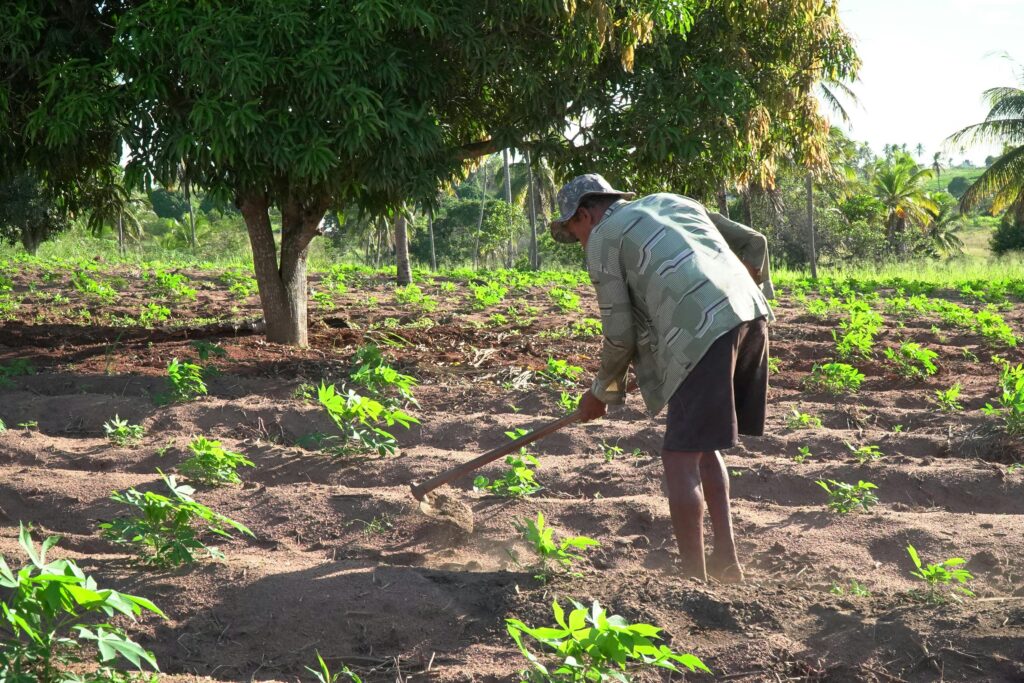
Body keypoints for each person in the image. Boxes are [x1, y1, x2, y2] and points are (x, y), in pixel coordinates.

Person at [550, 173, 774, 583]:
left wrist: (601, 393)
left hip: (700, 330)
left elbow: (619, 334)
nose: (579, 241)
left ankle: (692, 581)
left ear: (586, 214)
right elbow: (753, 242)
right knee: (702, 448)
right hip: (751, 315)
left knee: (678, 458)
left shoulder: (603, 238)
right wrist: (737, 295)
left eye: (574, 231)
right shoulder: (672, 200)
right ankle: (727, 564)